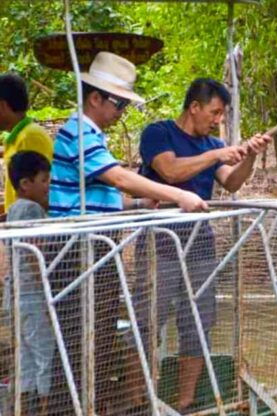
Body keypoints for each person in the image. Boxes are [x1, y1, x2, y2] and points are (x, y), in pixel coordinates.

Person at [46, 52, 207, 414]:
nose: (122, 111)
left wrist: (136, 207)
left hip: (97, 248)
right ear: (95, 98)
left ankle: (92, 404)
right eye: (118, 103)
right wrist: (178, 194)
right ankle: (69, 408)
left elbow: (98, 194)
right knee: (77, 337)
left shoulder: (94, 134)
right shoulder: (78, 131)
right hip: (76, 250)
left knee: (99, 333)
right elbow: (117, 177)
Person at [132, 78, 270, 411]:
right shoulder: (159, 133)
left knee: (198, 322)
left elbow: (232, 181)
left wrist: (249, 156)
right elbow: (170, 172)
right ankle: (139, 400)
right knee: (148, 321)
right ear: (194, 107)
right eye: (214, 112)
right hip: (160, 242)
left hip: (200, 244)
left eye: (222, 114)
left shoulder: (211, 143)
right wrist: (216, 154)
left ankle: (185, 402)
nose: (217, 120)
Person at [3, 151, 54, 415]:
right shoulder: (33, 210)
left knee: (25, 357)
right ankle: (45, 408)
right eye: (44, 180)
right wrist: (48, 295)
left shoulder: (13, 209)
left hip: (15, 295)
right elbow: (36, 258)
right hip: (33, 296)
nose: (49, 186)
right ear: (26, 183)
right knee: (45, 355)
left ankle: (23, 408)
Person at [0, 74, 53, 213]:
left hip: (30, 226)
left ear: (3, 105)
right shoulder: (15, 138)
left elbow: (39, 191)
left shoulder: (31, 136)